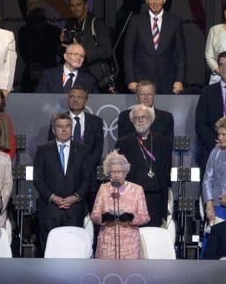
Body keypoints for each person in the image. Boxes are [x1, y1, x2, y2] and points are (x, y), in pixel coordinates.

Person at [33, 113, 91, 253]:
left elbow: (87, 179)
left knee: (73, 250)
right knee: (49, 250)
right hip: (49, 209)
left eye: (67, 126)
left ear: (71, 129)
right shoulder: (43, 150)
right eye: (60, 126)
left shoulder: (83, 150)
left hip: (74, 210)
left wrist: (75, 197)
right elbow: (37, 178)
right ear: (53, 130)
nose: (64, 130)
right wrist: (52, 196)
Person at [123, 0, 186, 95]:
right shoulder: (135, 21)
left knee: (165, 111)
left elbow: (181, 54)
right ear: (146, 0)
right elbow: (128, 52)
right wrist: (131, 79)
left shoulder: (175, 22)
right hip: (141, 79)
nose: (155, 2)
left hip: (168, 80)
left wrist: (179, 80)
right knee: (143, 112)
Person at [47, 86, 104, 210]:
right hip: (63, 178)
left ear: (86, 100)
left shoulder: (96, 122)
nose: (75, 100)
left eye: (79, 97)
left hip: (89, 177)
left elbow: (98, 149)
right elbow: (51, 148)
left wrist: (84, 166)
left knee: (94, 216)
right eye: (72, 97)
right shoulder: (58, 120)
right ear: (68, 100)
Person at [114, 105, 171, 227]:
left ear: (150, 120)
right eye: (136, 118)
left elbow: (166, 174)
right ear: (132, 121)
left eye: (143, 117)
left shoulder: (163, 143)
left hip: (155, 200)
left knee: (152, 240)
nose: (140, 121)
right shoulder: (123, 143)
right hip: (131, 198)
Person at [90, 151, 150, 259]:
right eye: (113, 172)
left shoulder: (137, 189)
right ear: (109, 173)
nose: (116, 175)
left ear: (125, 172)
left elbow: (145, 216)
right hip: (107, 245)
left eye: (119, 171)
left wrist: (132, 217)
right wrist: (103, 217)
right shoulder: (104, 189)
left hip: (129, 245)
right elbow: (94, 215)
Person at [62, 0, 114, 92]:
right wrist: (62, 43)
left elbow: (107, 50)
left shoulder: (97, 22)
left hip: (96, 75)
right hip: (75, 74)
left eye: (78, 5)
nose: (75, 8)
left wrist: (82, 55)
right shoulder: (69, 24)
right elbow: (64, 53)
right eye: (72, 5)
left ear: (86, 5)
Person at [17, 0, 60, 92]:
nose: (38, 17)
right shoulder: (24, 32)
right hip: (31, 71)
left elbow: (60, 51)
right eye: (35, 15)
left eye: (40, 15)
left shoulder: (55, 31)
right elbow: (23, 52)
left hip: (50, 70)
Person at [117, 80, 174, 147]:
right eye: (142, 94)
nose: (146, 98)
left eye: (149, 94)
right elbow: (121, 145)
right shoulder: (125, 117)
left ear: (154, 96)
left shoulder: (166, 117)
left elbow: (168, 146)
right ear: (136, 96)